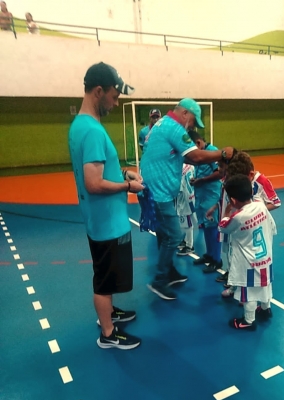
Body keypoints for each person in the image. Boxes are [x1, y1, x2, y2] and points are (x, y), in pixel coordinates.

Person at [68, 62, 144, 350]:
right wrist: (128, 187)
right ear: (99, 91)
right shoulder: (93, 131)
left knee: (108, 273)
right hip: (106, 222)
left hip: (100, 219)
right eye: (114, 95)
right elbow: (93, 183)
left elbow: (100, 172)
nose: (116, 101)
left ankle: (110, 314)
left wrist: (124, 173)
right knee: (104, 279)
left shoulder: (82, 125)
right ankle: (109, 334)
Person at [139, 97, 235, 301]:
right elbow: (195, 157)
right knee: (174, 235)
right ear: (184, 114)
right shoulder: (174, 128)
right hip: (159, 192)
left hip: (152, 189)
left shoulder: (162, 124)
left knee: (164, 234)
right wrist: (223, 154)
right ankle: (160, 280)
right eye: (192, 121)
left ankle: (170, 272)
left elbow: (184, 156)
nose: (191, 127)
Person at [218, 174, 277, 331]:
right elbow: (272, 227)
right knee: (264, 285)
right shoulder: (261, 205)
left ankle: (248, 321)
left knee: (249, 291)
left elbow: (223, 227)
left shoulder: (238, 216)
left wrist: (226, 212)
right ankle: (266, 308)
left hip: (249, 261)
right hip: (265, 256)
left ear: (233, 200)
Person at [187, 130, 223, 273]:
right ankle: (209, 254)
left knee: (213, 226)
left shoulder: (212, 152)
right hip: (201, 194)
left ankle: (217, 260)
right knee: (206, 225)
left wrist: (201, 180)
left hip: (211, 195)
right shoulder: (199, 155)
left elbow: (220, 173)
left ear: (198, 142)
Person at [176, 163, 196, 256]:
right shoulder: (190, 165)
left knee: (187, 222)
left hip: (185, 198)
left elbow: (177, 187)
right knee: (190, 219)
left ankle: (189, 246)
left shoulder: (177, 168)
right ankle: (186, 241)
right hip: (191, 195)